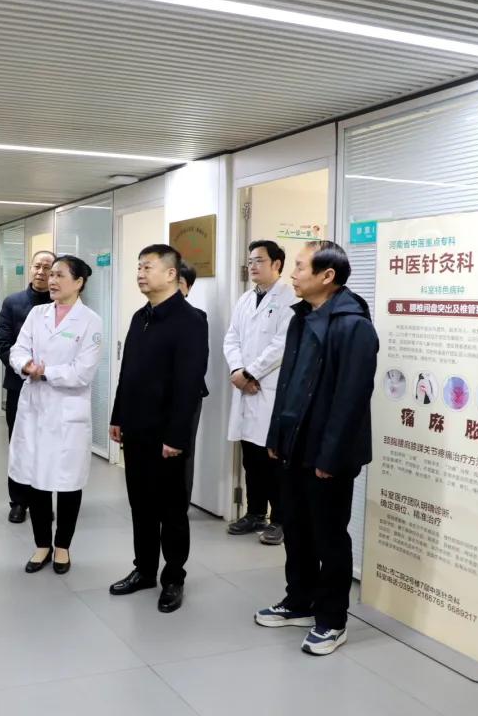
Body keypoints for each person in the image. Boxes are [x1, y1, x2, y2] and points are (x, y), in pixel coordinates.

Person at [254, 241, 377, 657]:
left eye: (301, 267)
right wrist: (276, 436)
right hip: (295, 444)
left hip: (329, 452)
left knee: (329, 536)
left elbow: (352, 399)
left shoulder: (353, 326)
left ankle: (332, 620)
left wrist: (331, 456)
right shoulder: (301, 317)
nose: (293, 273)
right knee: (296, 528)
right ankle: (299, 601)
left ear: (327, 276)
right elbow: (287, 383)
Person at [109, 244, 208, 614]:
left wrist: (177, 437)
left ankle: (173, 577)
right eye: (138, 267)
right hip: (136, 428)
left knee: (171, 509)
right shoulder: (141, 317)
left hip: (167, 434)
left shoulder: (190, 320)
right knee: (140, 504)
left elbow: (189, 384)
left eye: (147, 267)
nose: (140, 273)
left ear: (170, 274)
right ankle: (144, 569)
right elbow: (128, 372)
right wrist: (118, 416)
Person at [9, 255, 103, 574]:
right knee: (36, 479)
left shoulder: (90, 321)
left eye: (60, 275)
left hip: (67, 411)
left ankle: (62, 546)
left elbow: (83, 372)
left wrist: (45, 371)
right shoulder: (37, 314)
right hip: (35, 407)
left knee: (67, 481)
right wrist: (25, 365)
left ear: (78, 282)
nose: (51, 280)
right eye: (51, 274)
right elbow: (18, 349)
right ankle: (41, 545)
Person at [222, 240, 297, 546]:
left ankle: (280, 519)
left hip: (269, 388)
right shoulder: (245, 299)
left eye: (259, 260)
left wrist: (250, 373)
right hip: (246, 385)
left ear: (277, 264)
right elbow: (231, 338)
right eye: (250, 260)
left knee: (273, 459)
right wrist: (238, 371)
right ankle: (255, 513)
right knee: (251, 458)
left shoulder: (289, 298)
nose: (253, 265)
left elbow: (281, 345)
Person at [0, 250, 55, 523]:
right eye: (37, 266)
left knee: (47, 444)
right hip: (19, 385)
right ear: (30, 268)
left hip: (52, 386)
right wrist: (25, 368)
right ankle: (18, 501)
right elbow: (3, 343)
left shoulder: (60, 303)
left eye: (47, 267)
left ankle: (43, 499)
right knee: (19, 442)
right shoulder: (13, 302)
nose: (41, 272)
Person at [176, 262, 210, 498]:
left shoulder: (197, 318)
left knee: (183, 450)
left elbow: (199, 363)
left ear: (188, 288)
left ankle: (180, 502)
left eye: (179, 283)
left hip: (187, 396)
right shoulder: (146, 316)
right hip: (155, 398)